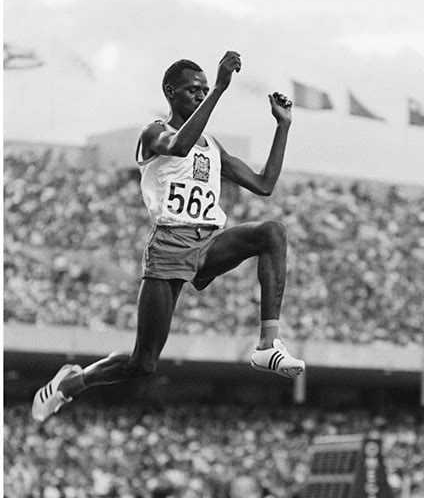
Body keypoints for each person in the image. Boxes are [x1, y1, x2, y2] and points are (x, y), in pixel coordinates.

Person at [32, 51, 305, 423]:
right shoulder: (153, 132)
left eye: (205, 90)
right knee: (143, 363)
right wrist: (222, 89)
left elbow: (264, 184)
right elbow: (177, 147)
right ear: (170, 91)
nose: (200, 94)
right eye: (193, 89)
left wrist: (283, 126)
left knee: (272, 232)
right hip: (169, 247)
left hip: (208, 241)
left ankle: (267, 344)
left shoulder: (211, 146)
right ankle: (71, 384)